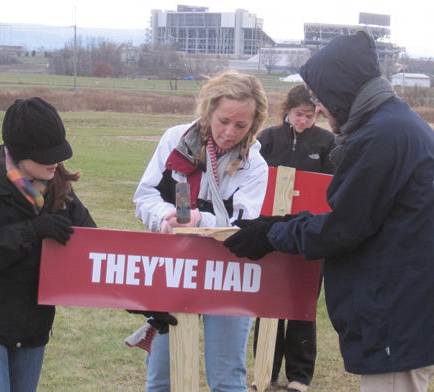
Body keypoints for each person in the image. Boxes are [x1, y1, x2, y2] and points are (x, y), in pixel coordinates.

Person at [224, 31, 434, 392]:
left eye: (320, 98)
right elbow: (359, 215)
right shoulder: (395, 126)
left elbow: (343, 229)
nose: (318, 109)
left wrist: (272, 234)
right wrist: (281, 223)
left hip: (398, 318)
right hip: (404, 311)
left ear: (342, 90)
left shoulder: (383, 137)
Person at [0, 97, 96, 392]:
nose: (54, 162)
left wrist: (145, 306)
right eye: (44, 154)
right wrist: (30, 231)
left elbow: (97, 255)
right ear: (19, 152)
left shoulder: (61, 195)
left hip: (31, 330)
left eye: (57, 152)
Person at [133, 69, 269, 392]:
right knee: (161, 378)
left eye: (241, 125)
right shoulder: (175, 141)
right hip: (175, 268)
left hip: (228, 275)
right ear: (209, 110)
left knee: (226, 381)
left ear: (254, 123)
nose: (228, 132)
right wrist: (166, 216)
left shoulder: (255, 166)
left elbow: (241, 226)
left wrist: (197, 222)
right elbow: (145, 195)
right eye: (223, 120)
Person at [254, 84, 335, 392]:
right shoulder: (268, 139)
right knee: (269, 302)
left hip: (309, 236)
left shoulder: (328, 142)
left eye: (310, 116)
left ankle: (299, 376)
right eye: (299, 115)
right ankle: (265, 370)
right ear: (286, 111)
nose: (304, 121)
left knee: (302, 303)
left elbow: (332, 188)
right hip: (270, 233)